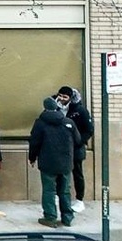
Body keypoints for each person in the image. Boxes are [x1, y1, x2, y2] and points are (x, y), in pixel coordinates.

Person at [27, 95, 77, 227]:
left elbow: (34, 142)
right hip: (66, 163)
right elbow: (77, 140)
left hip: (48, 163)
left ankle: (50, 217)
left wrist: (32, 158)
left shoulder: (40, 123)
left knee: (49, 190)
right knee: (65, 190)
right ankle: (67, 217)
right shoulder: (68, 122)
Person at [56, 84, 94, 203]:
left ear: (70, 98)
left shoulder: (80, 110)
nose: (62, 99)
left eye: (65, 97)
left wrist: (78, 141)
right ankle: (58, 195)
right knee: (58, 173)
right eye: (60, 96)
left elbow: (89, 130)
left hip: (75, 148)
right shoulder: (55, 108)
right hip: (59, 147)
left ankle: (79, 199)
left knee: (77, 173)